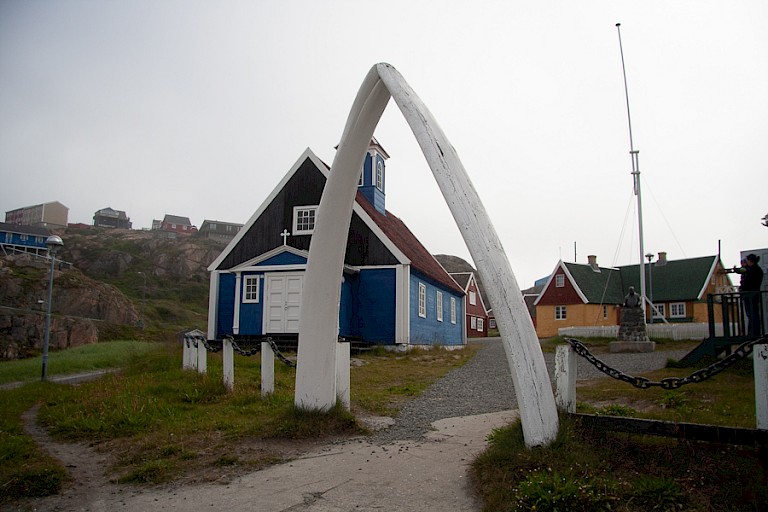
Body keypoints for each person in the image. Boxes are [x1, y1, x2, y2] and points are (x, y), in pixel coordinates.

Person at [741, 254, 764, 337]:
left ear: (750, 261)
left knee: (753, 315)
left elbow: (748, 283)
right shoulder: (756, 270)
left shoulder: (754, 271)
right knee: (752, 315)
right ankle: (753, 333)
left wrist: (743, 287)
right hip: (752, 295)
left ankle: (754, 334)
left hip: (751, 296)